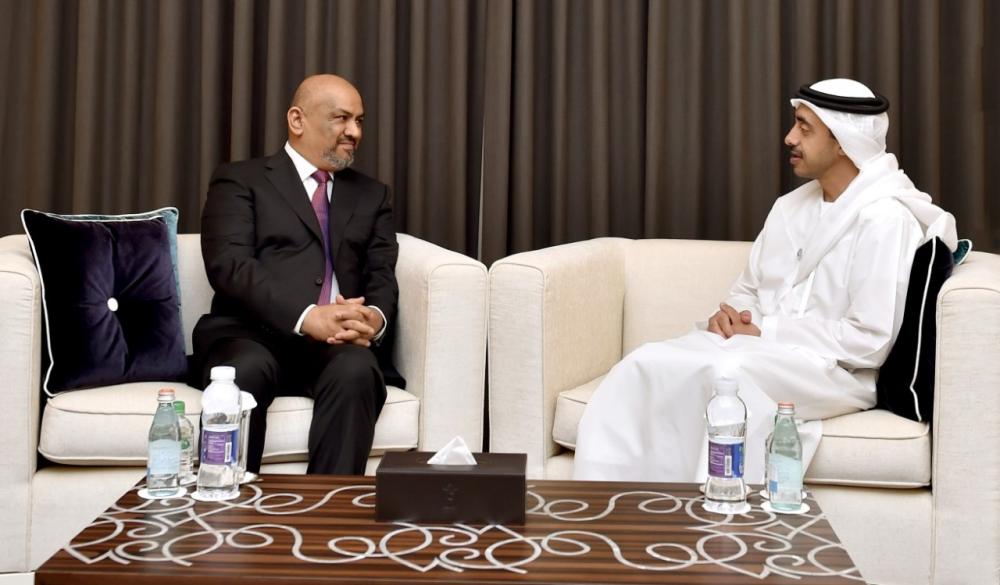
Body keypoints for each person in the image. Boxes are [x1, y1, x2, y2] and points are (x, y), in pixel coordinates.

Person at [573, 78, 958, 483]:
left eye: (805, 128)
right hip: (757, 350)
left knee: (726, 374)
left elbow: (869, 341)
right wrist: (731, 319)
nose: (790, 138)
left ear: (845, 142)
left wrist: (765, 331)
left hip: (836, 373)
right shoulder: (788, 209)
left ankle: (716, 510)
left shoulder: (886, 220)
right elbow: (747, 291)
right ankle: (612, 503)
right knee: (645, 360)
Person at [192, 74, 403, 476]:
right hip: (250, 334)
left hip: (337, 345)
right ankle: (226, 505)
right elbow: (229, 265)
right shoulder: (241, 180)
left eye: (359, 120)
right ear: (297, 119)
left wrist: (373, 320)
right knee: (243, 374)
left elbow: (381, 271)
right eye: (341, 118)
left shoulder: (371, 194)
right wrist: (308, 316)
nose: (355, 132)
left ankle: (329, 507)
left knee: (357, 370)